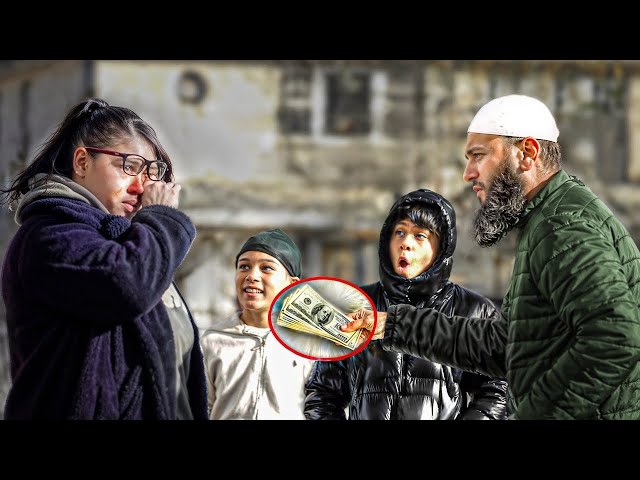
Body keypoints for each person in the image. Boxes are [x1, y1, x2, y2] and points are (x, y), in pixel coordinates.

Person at [342, 94, 640, 420]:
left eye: (479, 156)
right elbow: (508, 346)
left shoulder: (563, 227)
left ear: (527, 154)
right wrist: (392, 325)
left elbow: (615, 338)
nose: (468, 173)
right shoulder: (550, 218)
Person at [0, 98, 208, 419]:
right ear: (82, 162)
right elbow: (128, 284)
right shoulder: (48, 236)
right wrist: (162, 218)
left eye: (151, 173)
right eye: (129, 166)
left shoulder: (126, 243)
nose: (141, 186)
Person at [305, 189, 508, 420]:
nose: (405, 243)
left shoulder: (474, 310)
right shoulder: (355, 307)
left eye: (420, 235)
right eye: (399, 232)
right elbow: (323, 394)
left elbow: (499, 391)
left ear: (441, 247)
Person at [200, 228, 316, 419]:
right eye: (244, 266)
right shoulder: (213, 340)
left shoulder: (309, 343)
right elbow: (201, 408)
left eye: (266, 268)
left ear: (292, 284)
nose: (251, 276)